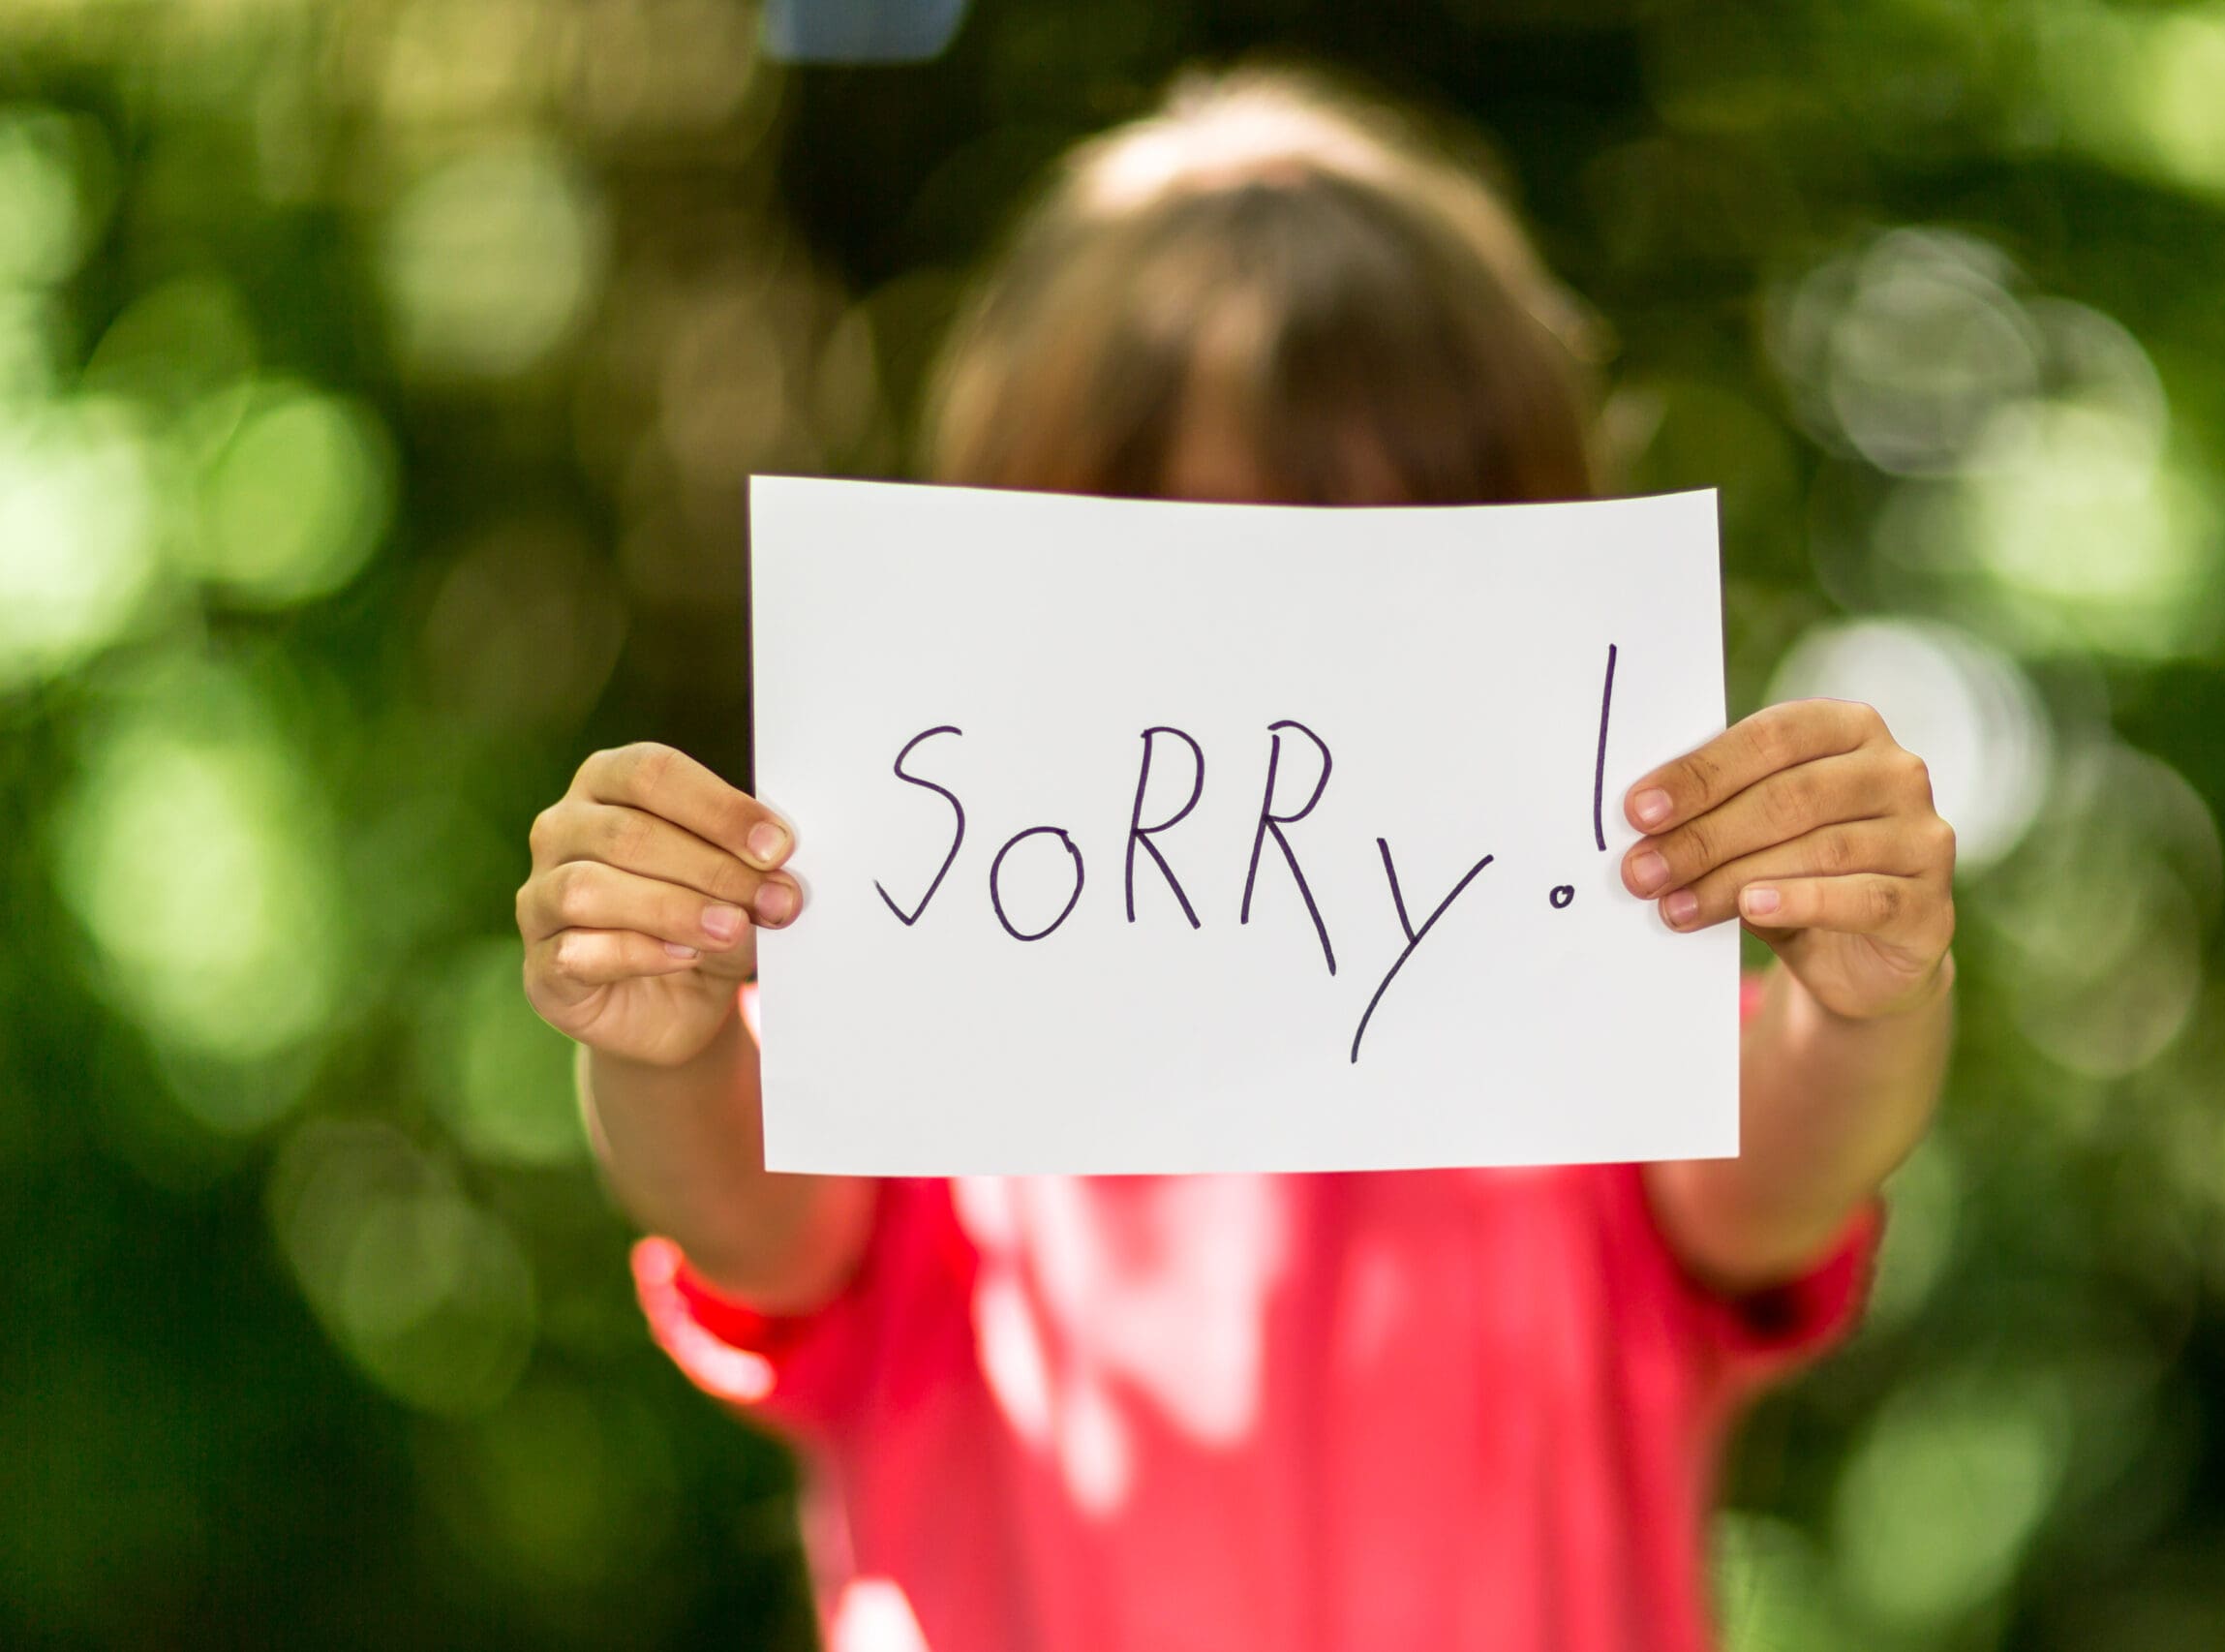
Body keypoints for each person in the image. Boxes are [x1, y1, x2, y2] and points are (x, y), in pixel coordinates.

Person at [517, 66, 1956, 1652]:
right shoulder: (941, 1053)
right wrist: (663, 1032)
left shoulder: (1580, 1051)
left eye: (1360, 554)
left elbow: (1776, 1176)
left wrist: (1865, 991)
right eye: (1180, 561)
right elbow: (747, 1211)